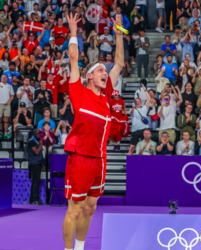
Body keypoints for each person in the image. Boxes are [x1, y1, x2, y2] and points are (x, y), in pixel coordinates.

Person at [62, 14, 124, 250]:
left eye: (104, 72)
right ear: (90, 76)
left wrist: (118, 35)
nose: (105, 73)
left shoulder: (106, 95)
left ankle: (80, 247)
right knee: (75, 209)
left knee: (90, 207)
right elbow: (73, 57)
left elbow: (118, 63)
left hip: (100, 159)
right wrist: (74, 33)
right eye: (100, 70)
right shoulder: (78, 90)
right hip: (80, 158)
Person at [128, 85, 150, 155]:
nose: (137, 103)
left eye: (138, 102)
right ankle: (128, 163)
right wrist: (133, 108)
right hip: (135, 130)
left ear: (141, 102)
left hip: (144, 129)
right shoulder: (132, 110)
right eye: (135, 102)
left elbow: (149, 99)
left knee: (145, 147)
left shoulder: (144, 108)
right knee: (131, 148)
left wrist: (145, 90)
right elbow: (131, 113)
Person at [27, 129, 44, 205]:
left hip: (38, 163)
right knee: (36, 181)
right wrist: (40, 145)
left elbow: (40, 153)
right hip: (34, 163)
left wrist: (42, 163)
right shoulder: (31, 141)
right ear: (33, 134)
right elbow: (36, 152)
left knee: (37, 181)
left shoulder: (36, 141)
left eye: (39, 133)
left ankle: (34, 199)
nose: (39, 135)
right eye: (37, 133)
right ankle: (34, 199)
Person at [0, 74, 14, 138]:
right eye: (2, 77)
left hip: (7, 105)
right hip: (0, 104)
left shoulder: (10, 86)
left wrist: (9, 101)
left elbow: (12, 95)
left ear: (7, 79)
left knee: (6, 119)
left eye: (4, 78)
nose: (3, 78)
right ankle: (0, 132)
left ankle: (5, 133)